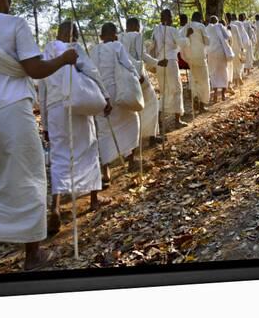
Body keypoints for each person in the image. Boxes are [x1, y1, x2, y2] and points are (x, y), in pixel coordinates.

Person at [0, 0, 79, 272]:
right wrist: (64, 59)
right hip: (13, 111)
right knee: (32, 179)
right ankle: (33, 256)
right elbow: (33, 68)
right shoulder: (15, 24)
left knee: (0, 182)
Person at [39, 21, 111, 235]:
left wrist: (44, 123)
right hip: (77, 105)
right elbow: (92, 72)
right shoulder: (74, 50)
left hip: (54, 111)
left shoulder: (45, 56)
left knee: (60, 157)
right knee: (88, 149)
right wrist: (105, 96)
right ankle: (93, 200)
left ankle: (55, 208)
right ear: (74, 36)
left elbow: (41, 92)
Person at [91, 23, 141, 179]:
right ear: (114, 35)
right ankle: (131, 159)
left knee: (104, 131)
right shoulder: (117, 46)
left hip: (99, 94)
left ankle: (105, 171)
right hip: (117, 93)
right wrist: (138, 77)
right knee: (132, 120)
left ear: (101, 37)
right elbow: (128, 65)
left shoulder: (93, 50)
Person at [118, 18, 166, 147]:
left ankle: (137, 138)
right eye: (138, 25)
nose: (139, 28)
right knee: (152, 102)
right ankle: (151, 137)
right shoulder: (136, 36)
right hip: (138, 75)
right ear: (134, 25)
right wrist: (156, 63)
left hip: (124, 77)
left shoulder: (120, 38)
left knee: (135, 107)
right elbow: (141, 56)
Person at [151, 9, 187, 128]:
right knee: (176, 89)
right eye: (170, 17)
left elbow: (152, 46)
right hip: (170, 61)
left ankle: (159, 120)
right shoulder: (172, 30)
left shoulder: (156, 30)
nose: (172, 19)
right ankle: (177, 120)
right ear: (166, 18)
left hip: (160, 63)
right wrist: (188, 35)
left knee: (164, 90)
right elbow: (182, 43)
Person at [182, 11, 211, 111]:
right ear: (199, 18)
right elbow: (207, 41)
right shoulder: (201, 26)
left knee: (194, 79)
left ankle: (195, 97)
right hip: (200, 56)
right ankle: (202, 104)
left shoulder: (186, 27)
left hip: (190, 58)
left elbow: (181, 41)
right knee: (204, 80)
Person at [206, 16, 233, 102]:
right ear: (217, 21)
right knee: (223, 72)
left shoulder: (207, 28)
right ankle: (223, 95)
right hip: (220, 52)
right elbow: (227, 36)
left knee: (213, 73)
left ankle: (215, 95)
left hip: (211, 53)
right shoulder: (220, 26)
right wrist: (228, 29)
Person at [229, 13, 245, 86]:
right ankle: (239, 77)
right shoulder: (235, 26)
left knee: (232, 65)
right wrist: (241, 47)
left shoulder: (225, 27)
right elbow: (239, 37)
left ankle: (236, 81)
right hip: (236, 47)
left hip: (229, 49)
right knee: (238, 63)